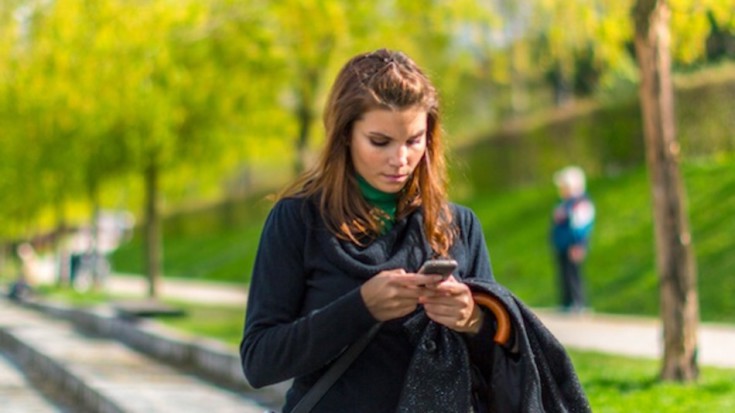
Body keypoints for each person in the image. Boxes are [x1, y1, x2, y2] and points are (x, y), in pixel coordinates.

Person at [240, 48, 590, 413]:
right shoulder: (298, 219)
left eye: (414, 140)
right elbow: (260, 361)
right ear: (345, 135)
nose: (400, 159)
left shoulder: (457, 225)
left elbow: (496, 369)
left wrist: (471, 319)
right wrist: (361, 307)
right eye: (380, 142)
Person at [550, 166, 595, 313]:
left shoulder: (580, 204)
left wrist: (578, 244)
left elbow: (581, 227)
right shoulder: (564, 204)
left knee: (574, 275)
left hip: (572, 245)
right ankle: (566, 301)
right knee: (564, 274)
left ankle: (578, 302)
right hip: (562, 245)